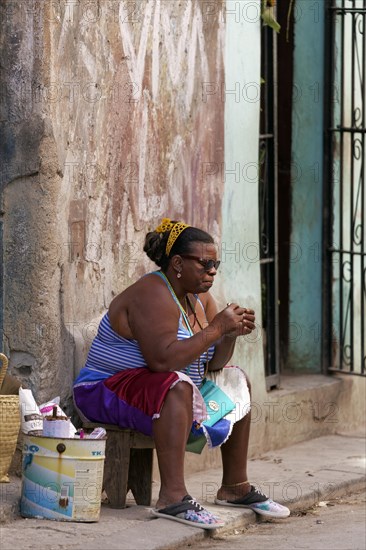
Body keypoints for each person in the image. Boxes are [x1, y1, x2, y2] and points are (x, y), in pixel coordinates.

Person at [73, 218, 290, 529]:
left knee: (235, 379)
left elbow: (212, 365)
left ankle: (234, 486)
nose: (212, 271)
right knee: (175, 386)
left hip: (154, 385)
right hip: (103, 390)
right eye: (204, 264)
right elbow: (162, 362)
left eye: (215, 263)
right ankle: (173, 497)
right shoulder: (152, 292)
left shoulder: (199, 297)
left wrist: (227, 335)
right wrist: (217, 327)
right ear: (177, 263)